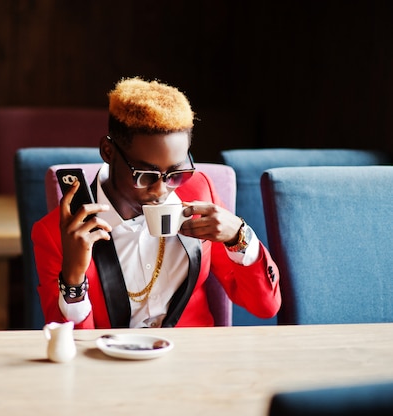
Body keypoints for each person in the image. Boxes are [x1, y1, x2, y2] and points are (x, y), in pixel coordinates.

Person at [32, 77, 281, 328]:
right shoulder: (57, 233)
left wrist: (240, 236)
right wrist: (73, 280)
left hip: (195, 359)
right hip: (111, 362)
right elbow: (71, 343)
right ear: (108, 152)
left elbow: (264, 307)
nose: (162, 190)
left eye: (176, 174)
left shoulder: (198, 193)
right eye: (145, 176)